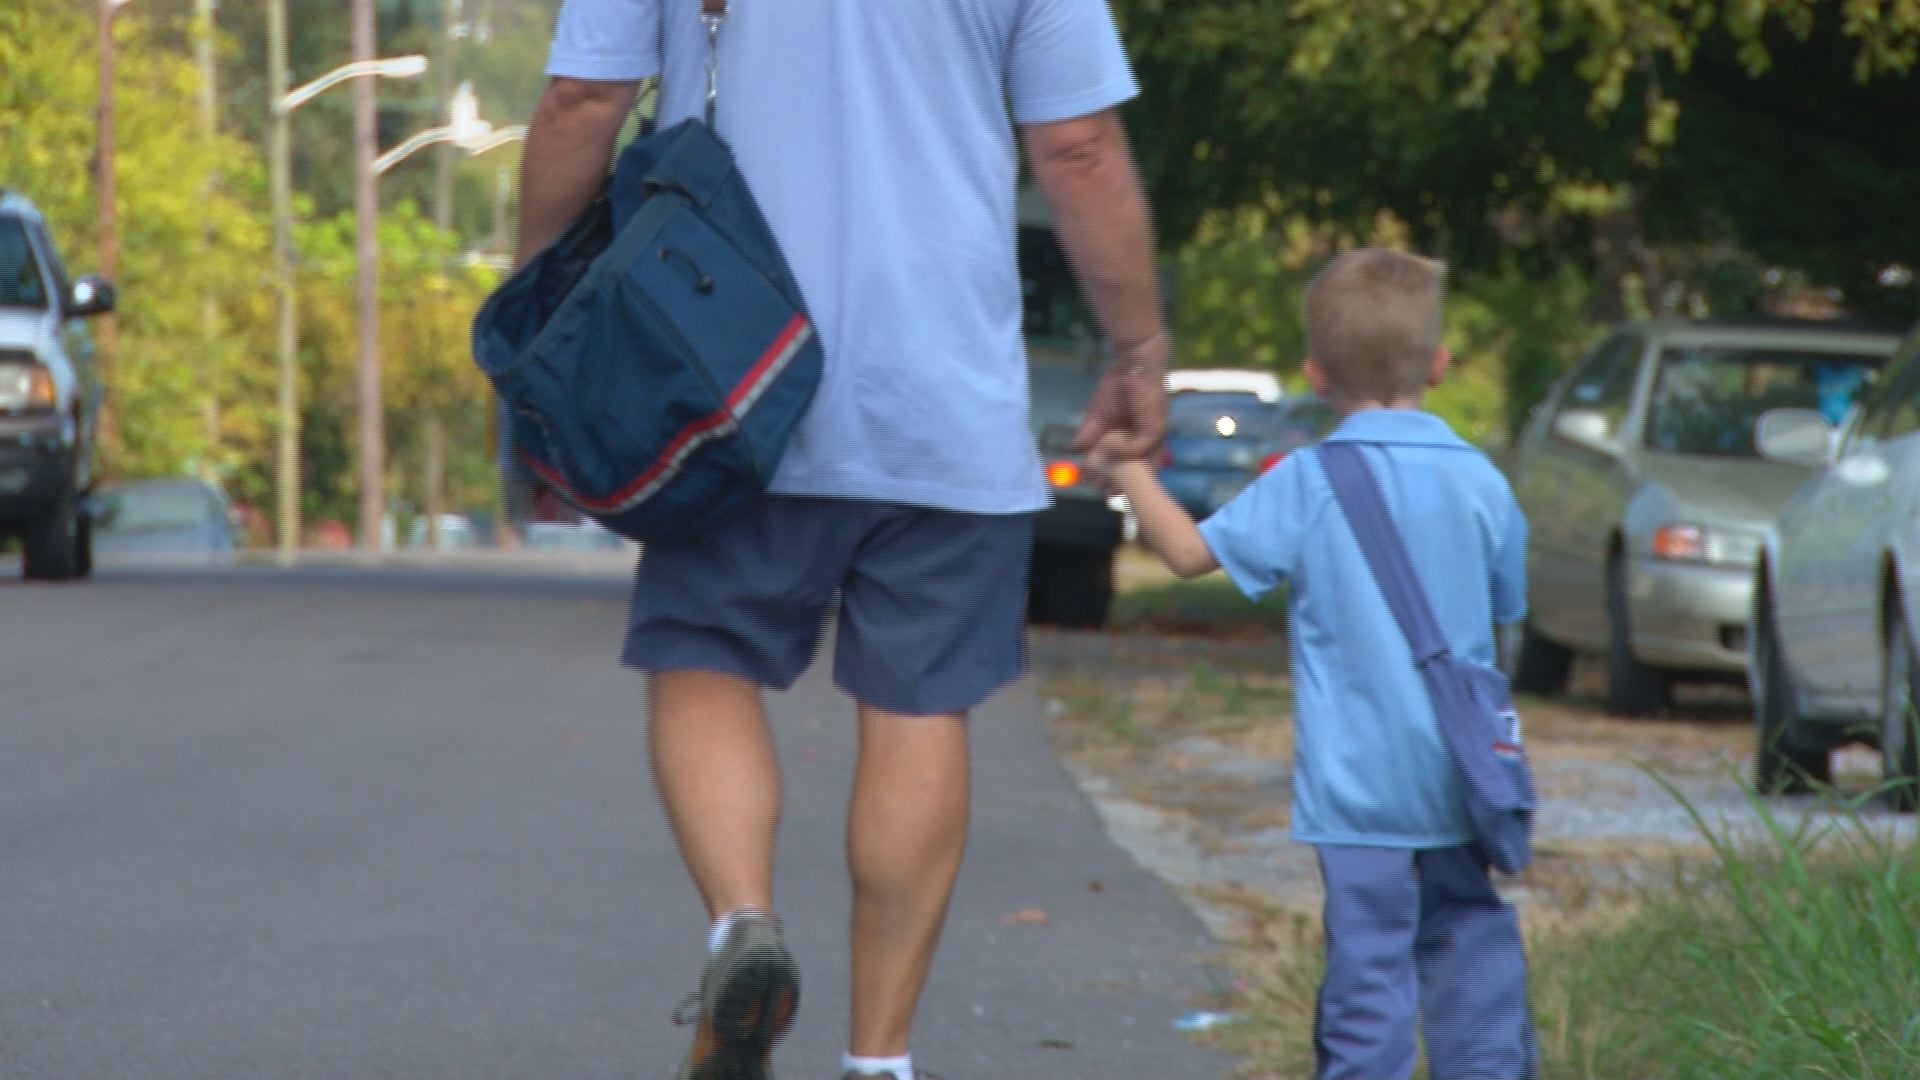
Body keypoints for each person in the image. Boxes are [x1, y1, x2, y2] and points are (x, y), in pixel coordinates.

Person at [518, 3, 1168, 1079]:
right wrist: (1137, 348)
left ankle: (743, 926)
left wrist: (542, 303)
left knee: (704, 656)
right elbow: (1080, 147)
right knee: (918, 707)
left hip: (725, 374)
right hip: (943, 398)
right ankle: (880, 1061)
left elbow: (580, 102)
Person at [1095, 249, 1537, 1080]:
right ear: (1439, 365)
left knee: (1367, 969)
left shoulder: (1307, 482)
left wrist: (1125, 469)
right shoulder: (1484, 483)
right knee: (1470, 950)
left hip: (1356, 785)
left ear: (1314, 370)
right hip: (1463, 774)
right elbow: (1506, 608)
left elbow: (1189, 553)